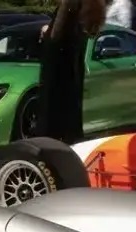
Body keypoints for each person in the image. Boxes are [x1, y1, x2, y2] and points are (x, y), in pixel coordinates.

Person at [38, 0, 87, 141]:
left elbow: (56, 37)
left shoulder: (68, 8)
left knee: (58, 115)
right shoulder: (78, 11)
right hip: (68, 70)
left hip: (60, 72)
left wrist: (47, 33)